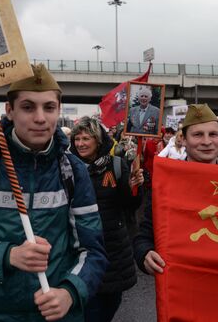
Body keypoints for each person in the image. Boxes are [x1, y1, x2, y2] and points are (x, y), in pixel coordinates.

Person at [0, 64, 108, 321]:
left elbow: (94, 252)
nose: (40, 118)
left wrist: (70, 292)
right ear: (9, 110)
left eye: (49, 107)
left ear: (58, 110)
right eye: (28, 107)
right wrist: (9, 255)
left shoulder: (73, 169)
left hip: (58, 314)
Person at [134, 104, 218, 276]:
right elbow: (144, 235)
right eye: (197, 135)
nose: (206, 141)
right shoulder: (166, 183)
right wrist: (145, 254)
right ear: (184, 140)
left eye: (213, 134)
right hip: (183, 281)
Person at [70, 117, 143, 322]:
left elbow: (130, 205)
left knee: (110, 304)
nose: (81, 143)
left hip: (114, 250)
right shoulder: (68, 168)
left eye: (86, 138)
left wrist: (135, 188)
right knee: (89, 309)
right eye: (77, 138)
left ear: (98, 141)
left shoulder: (116, 165)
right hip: (81, 249)